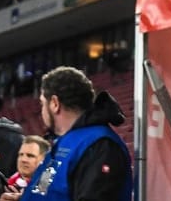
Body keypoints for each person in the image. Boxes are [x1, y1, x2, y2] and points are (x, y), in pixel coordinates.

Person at [14, 66, 131, 201]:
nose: (41, 111)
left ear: (54, 104)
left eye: (42, 104)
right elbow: (43, 190)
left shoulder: (100, 146)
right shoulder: (62, 143)